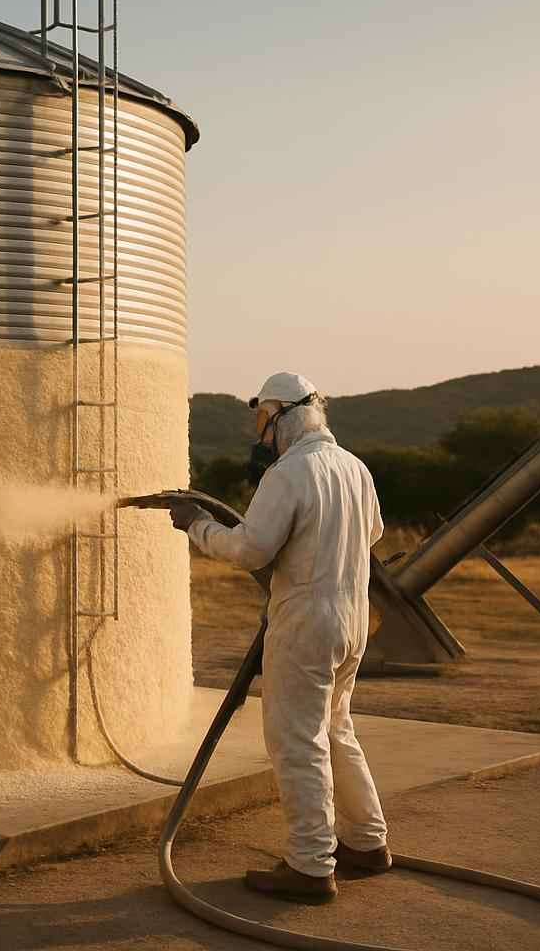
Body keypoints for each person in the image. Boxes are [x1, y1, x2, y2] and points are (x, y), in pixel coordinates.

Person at [169, 371, 391, 904]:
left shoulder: (290, 473)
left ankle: (311, 866)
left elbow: (251, 550)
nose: (260, 435)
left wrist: (196, 525)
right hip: (351, 619)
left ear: (286, 415)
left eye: (264, 422)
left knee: (298, 740)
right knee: (336, 728)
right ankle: (366, 842)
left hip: (307, 620)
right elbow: (376, 532)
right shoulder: (354, 468)